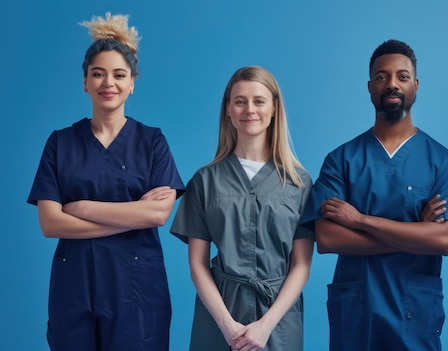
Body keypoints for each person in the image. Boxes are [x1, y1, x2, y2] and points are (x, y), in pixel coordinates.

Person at [26, 13, 185, 350]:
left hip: (137, 288)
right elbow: (50, 223)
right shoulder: (60, 142)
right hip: (75, 287)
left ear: (131, 83)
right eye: (98, 74)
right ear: (85, 81)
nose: (107, 83)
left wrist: (82, 208)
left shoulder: (152, 141)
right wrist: (131, 217)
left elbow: (157, 215)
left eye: (118, 75)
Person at [300, 39, 448, 351]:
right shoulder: (341, 160)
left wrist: (359, 220)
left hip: (413, 312)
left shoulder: (442, 161)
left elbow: (442, 241)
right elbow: (328, 239)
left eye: (402, 77)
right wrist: (416, 232)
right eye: (381, 77)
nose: (392, 84)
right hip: (357, 312)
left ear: (416, 85)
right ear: (369, 87)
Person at [169, 66, 313, 351]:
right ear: (228, 111)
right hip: (221, 313)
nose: (250, 109)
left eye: (259, 101)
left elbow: (301, 264)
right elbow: (197, 263)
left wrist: (265, 325)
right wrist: (227, 324)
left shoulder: (299, 182)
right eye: (240, 101)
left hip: (279, 317)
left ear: (274, 109)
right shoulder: (204, 181)